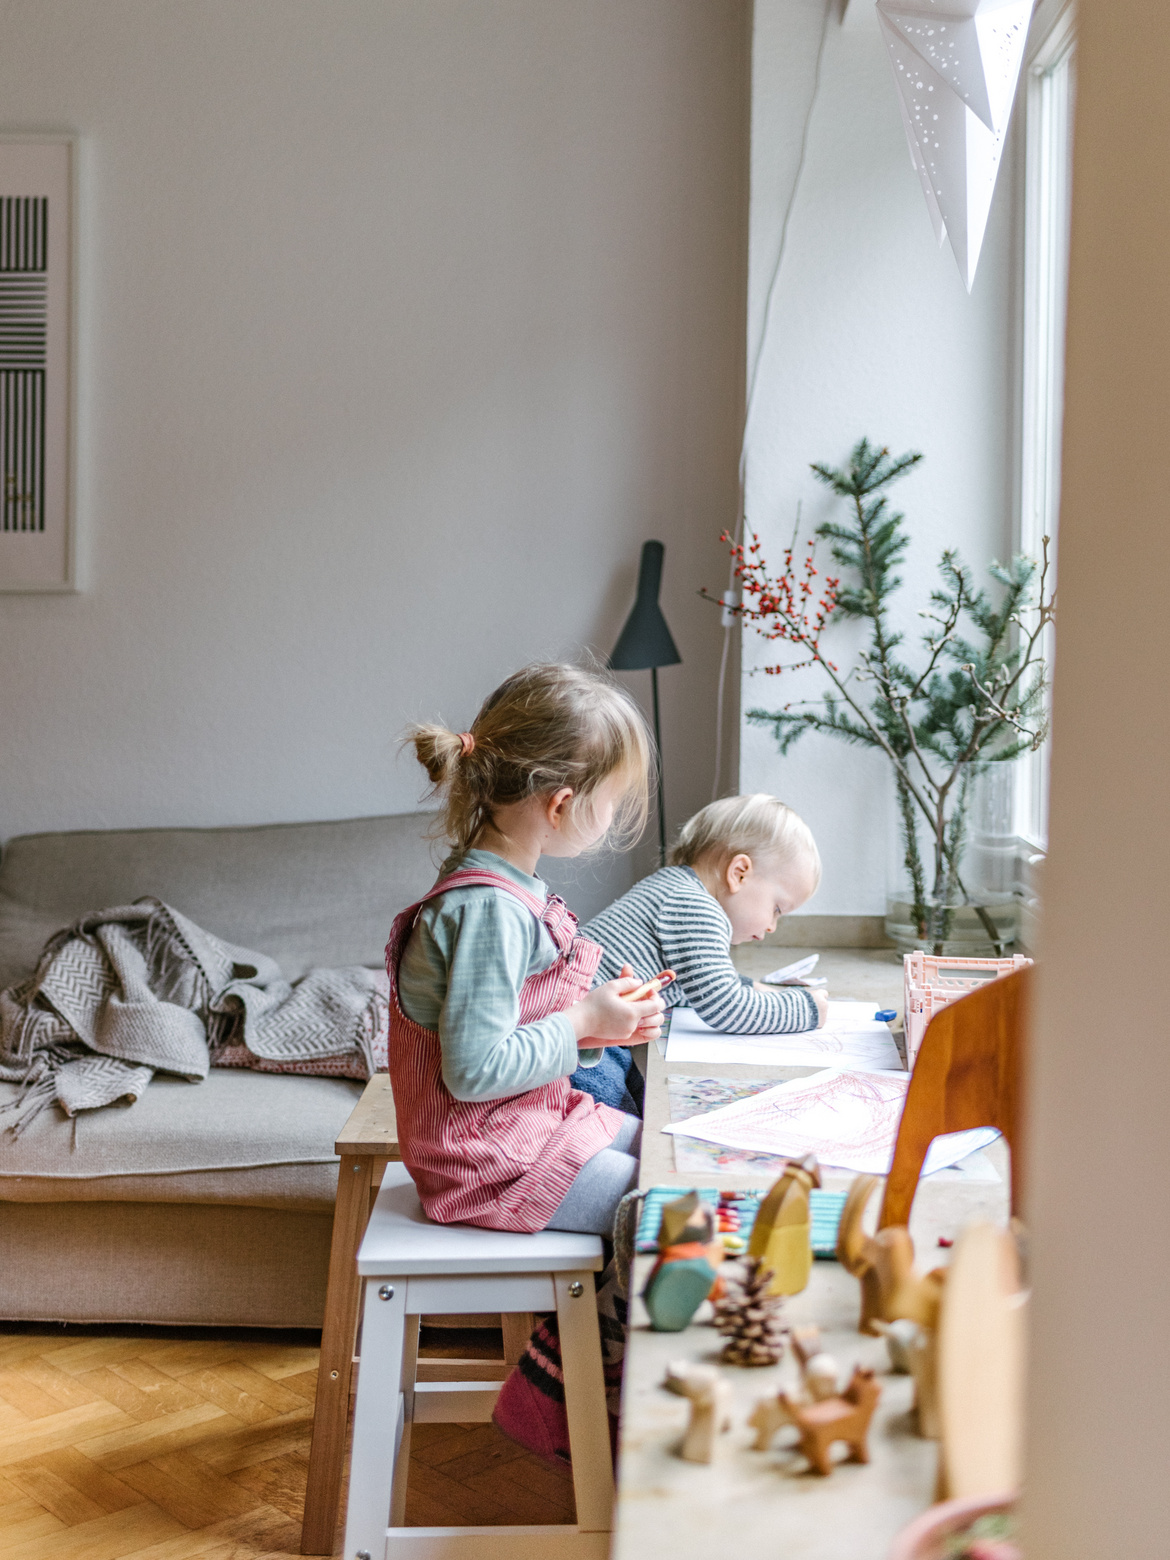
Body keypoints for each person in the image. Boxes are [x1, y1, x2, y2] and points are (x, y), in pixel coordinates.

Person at [570, 794, 826, 1111]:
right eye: (776, 908)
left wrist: (752, 986)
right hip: (581, 1047)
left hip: (591, 1031)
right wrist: (808, 1009)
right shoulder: (697, 906)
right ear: (739, 872)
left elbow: (702, 982)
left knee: (644, 1100)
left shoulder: (677, 887)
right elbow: (727, 1007)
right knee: (620, 1121)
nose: (773, 926)